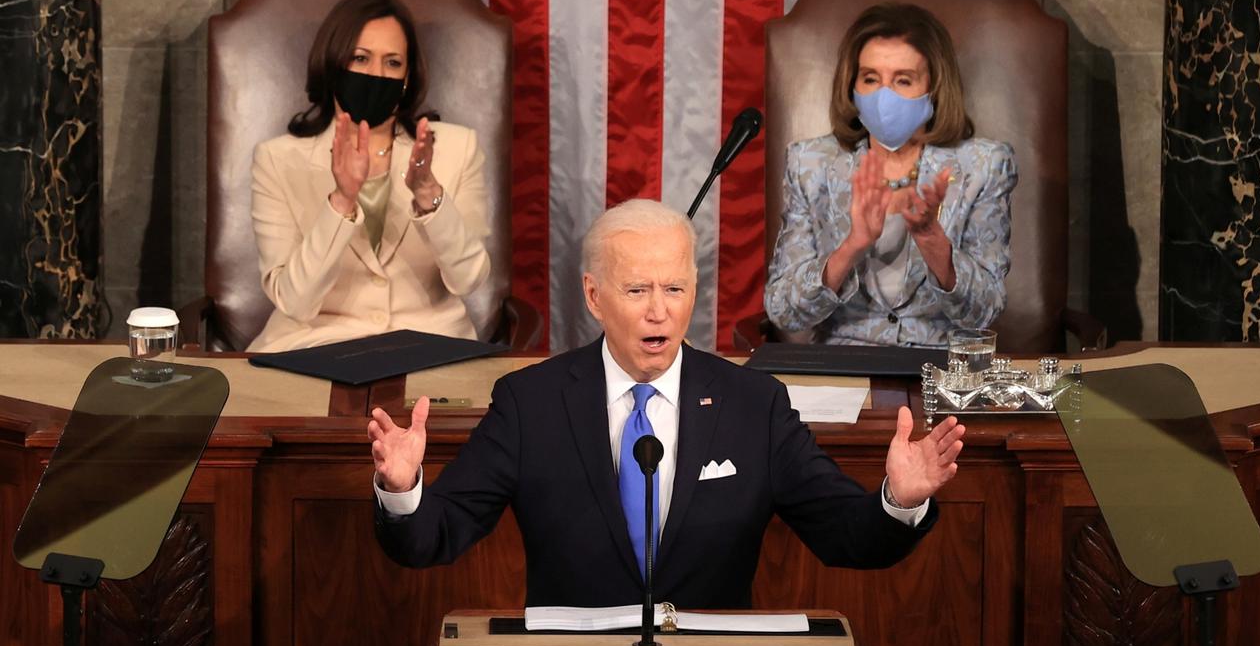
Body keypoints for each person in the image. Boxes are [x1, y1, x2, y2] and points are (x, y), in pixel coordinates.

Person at [369, 199, 964, 609]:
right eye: (637, 290)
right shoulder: (532, 402)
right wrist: (402, 490)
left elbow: (847, 537)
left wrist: (898, 503)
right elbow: (433, 537)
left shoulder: (753, 404)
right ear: (595, 296)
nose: (660, 311)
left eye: (675, 289)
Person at [247, 0, 491, 353]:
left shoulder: (458, 148)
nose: (376, 75)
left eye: (392, 63)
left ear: (407, 77)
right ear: (333, 64)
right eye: (360, 58)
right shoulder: (277, 159)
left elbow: (469, 279)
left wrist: (428, 195)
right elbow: (295, 302)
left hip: (429, 349)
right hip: (313, 349)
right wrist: (342, 200)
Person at [764, 2, 1017, 347]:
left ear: (935, 87)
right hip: (844, 368)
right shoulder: (811, 164)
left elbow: (986, 311)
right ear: (852, 86)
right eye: (870, 78)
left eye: (903, 80)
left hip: (940, 369)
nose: (884, 96)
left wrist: (933, 243)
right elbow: (784, 312)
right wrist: (851, 247)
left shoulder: (983, 166)